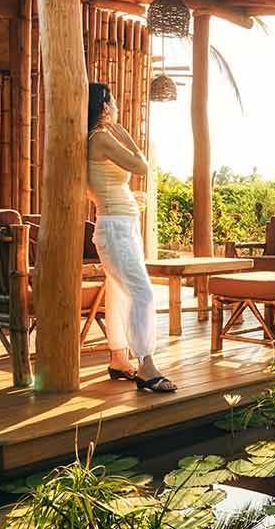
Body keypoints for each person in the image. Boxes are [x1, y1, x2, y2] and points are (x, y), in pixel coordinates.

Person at [86, 82, 176, 393]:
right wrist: (126, 136)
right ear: (104, 106)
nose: (116, 107)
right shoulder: (100, 138)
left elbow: (103, 184)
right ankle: (146, 366)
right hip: (115, 228)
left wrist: (127, 197)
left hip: (120, 223)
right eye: (112, 101)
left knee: (119, 293)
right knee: (143, 292)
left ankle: (119, 359)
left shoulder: (93, 139)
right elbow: (141, 166)